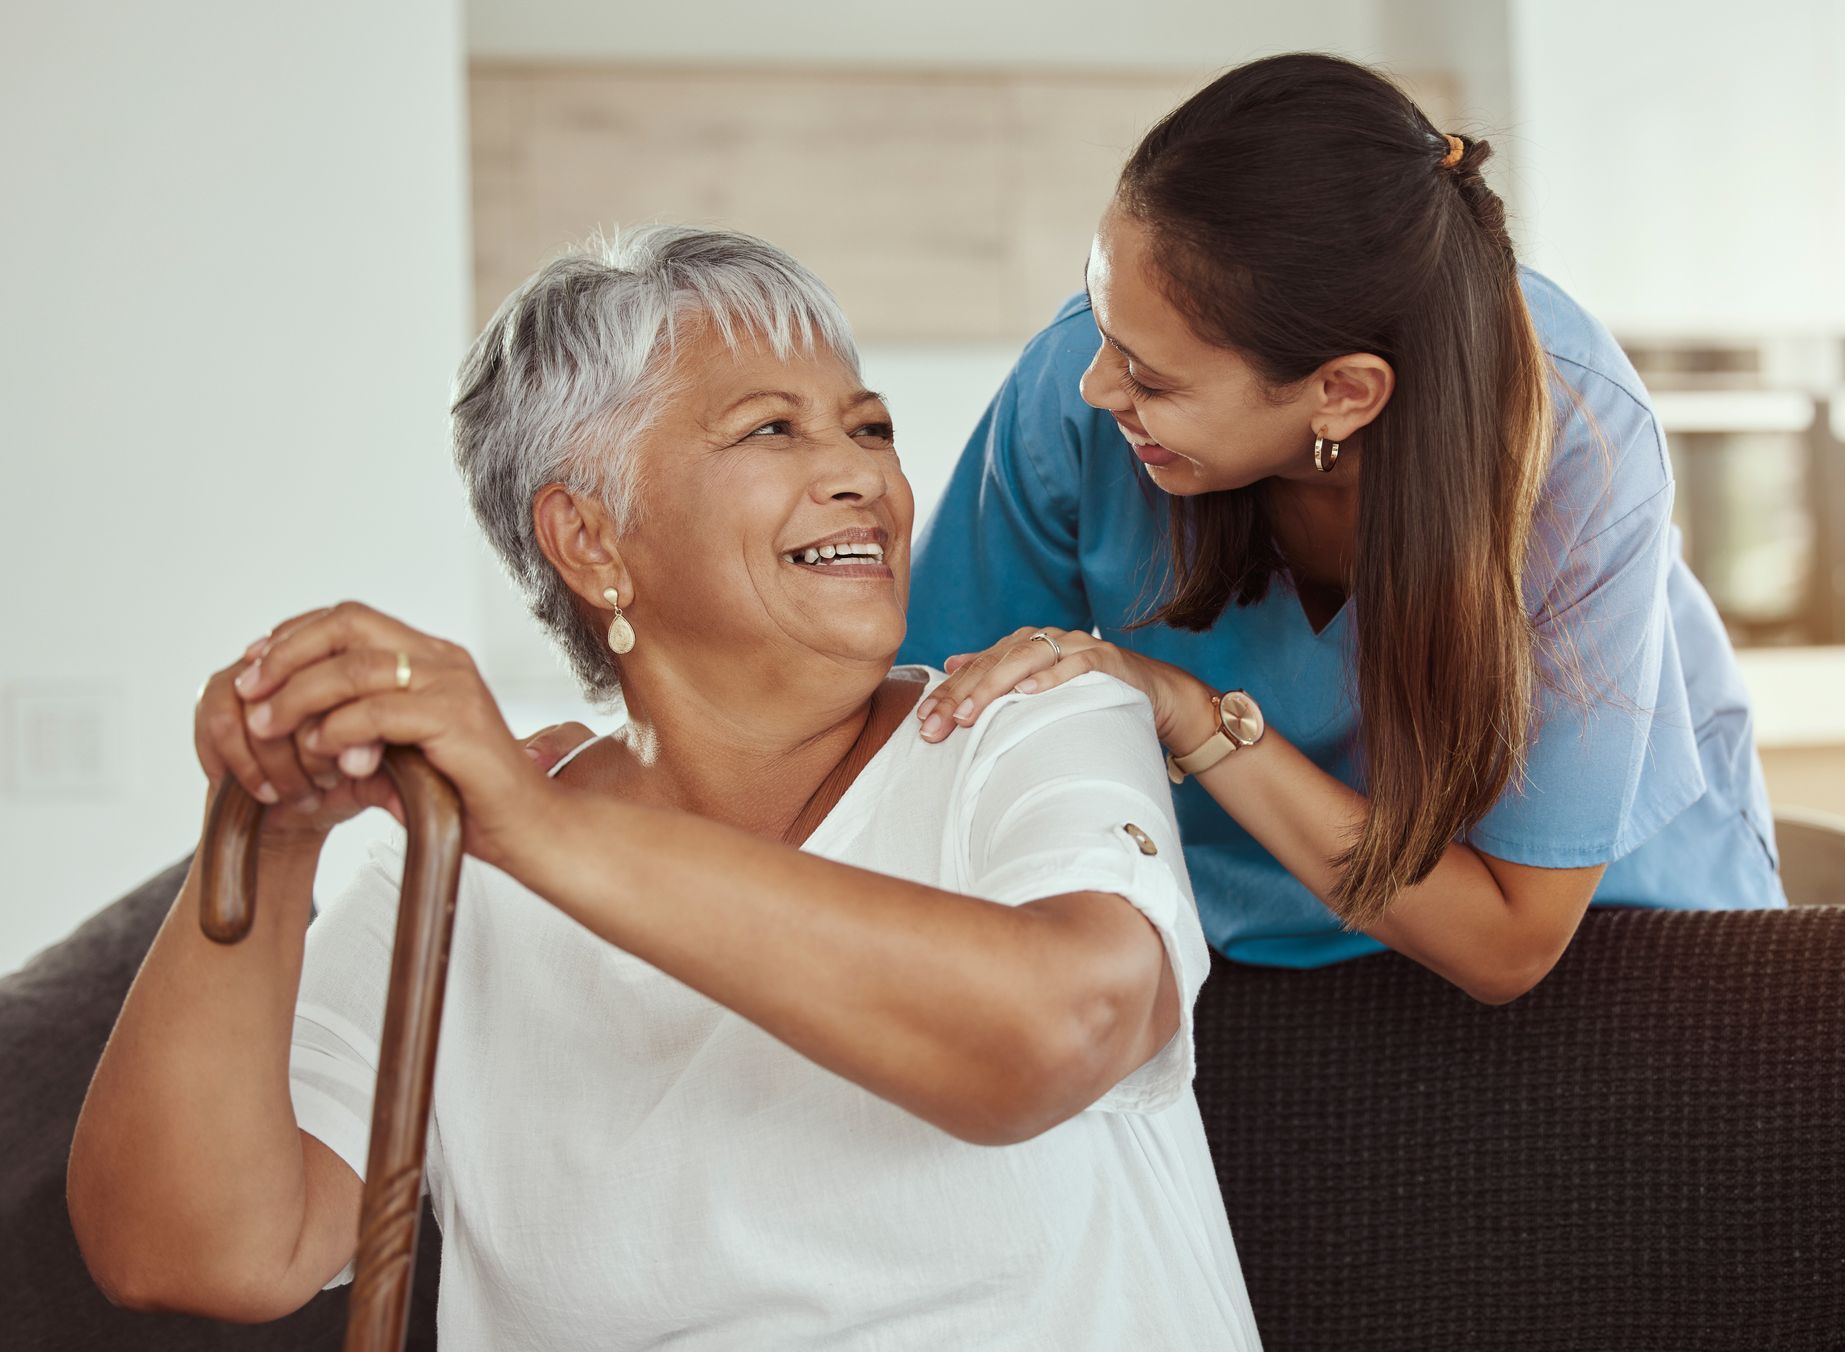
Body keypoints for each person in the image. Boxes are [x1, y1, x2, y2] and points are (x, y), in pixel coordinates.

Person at [67, 226, 1259, 1349]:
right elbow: (196, 1248)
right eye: (771, 431)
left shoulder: (1030, 719)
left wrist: (538, 831)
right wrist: (269, 837)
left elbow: (1062, 1030)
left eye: (870, 426)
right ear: (589, 538)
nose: (862, 477)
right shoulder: (451, 864)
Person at [903, 53, 1787, 1001]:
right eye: (1102, 325)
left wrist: (1188, 712)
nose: (1093, 385)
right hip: (1220, 941)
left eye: (1151, 379)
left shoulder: (1577, 436)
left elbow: (1507, 942)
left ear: (1342, 393)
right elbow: (939, 751)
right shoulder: (1073, 391)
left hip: (1599, 938)